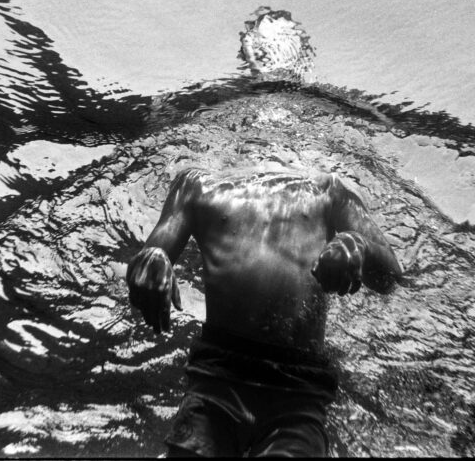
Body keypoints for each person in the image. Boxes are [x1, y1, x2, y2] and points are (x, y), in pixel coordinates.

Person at [126, 159, 406, 457]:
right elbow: (145, 262)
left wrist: (357, 244)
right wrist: (152, 258)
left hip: (298, 390)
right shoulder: (194, 185)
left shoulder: (330, 191)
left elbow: (390, 277)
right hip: (217, 376)